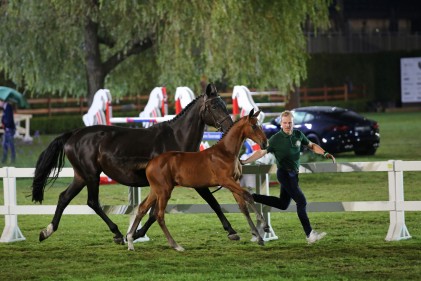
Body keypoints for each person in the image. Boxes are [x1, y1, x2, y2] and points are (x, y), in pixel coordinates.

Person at [240, 110, 335, 244]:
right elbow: (261, 152)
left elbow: (312, 146)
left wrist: (325, 153)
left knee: (283, 204)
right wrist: (244, 161)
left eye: (290, 123)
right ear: (281, 124)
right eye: (285, 123)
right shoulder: (276, 139)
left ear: (293, 123)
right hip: (284, 174)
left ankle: (251, 196)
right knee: (301, 201)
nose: (287, 125)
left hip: (294, 175)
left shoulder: (298, 135)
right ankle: (310, 235)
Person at [0, 99, 16, 164]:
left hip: (10, 129)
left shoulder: (8, 107)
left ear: (3, 101)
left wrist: (5, 124)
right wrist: (3, 122)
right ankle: (4, 159)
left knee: (11, 144)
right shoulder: (5, 108)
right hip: (7, 129)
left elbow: (9, 119)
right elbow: (4, 118)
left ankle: (13, 159)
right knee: (4, 144)